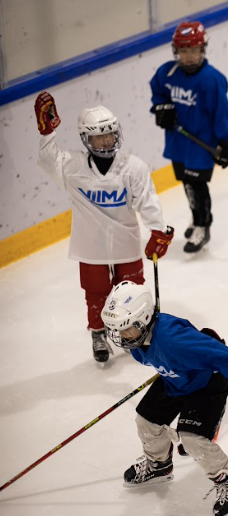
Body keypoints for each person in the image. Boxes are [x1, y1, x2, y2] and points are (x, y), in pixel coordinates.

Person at [100, 280, 228, 516]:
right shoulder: (137, 342)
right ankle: (159, 465)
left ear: (144, 319)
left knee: (192, 440)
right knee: (146, 422)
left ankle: (227, 482)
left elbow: (214, 349)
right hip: (176, 380)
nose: (121, 337)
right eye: (118, 329)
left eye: (126, 329)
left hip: (207, 384)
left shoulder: (172, 338)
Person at [34, 91, 172, 363]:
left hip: (126, 242)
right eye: (99, 136)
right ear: (87, 139)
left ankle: (137, 330)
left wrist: (158, 230)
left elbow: (147, 199)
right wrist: (47, 132)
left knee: (132, 288)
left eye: (110, 134)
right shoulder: (72, 166)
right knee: (95, 293)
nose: (106, 140)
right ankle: (98, 332)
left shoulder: (133, 167)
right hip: (90, 246)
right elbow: (49, 160)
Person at [149, 21, 228, 253]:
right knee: (187, 183)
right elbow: (157, 91)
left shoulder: (211, 79)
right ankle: (197, 217)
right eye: (183, 51)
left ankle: (202, 226)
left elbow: (221, 114)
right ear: (176, 51)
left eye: (193, 50)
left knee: (197, 185)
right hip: (178, 141)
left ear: (202, 50)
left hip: (201, 144)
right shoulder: (167, 72)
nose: (188, 56)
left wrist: (226, 141)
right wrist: (162, 107)